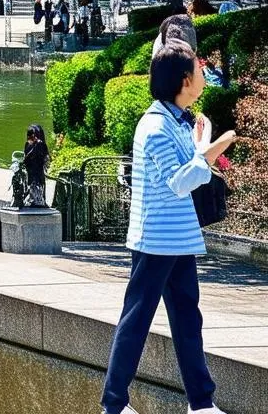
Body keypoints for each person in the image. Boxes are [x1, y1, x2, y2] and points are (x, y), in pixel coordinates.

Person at [100, 43, 236, 414]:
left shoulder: (177, 119)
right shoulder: (155, 124)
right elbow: (180, 181)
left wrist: (201, 144)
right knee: (137, 320)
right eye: (200, 69)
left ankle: (201, 402)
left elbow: (188, 168)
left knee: (187, 317)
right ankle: (113, 404)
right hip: (156, 238)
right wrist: (212, 149)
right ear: (185, 80)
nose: (204, 76)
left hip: (177, 237)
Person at [23, 124, 50, 206]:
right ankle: (35, 199)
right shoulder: (29, 144)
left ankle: (37, 200)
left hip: (37, 168)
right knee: (33, 182)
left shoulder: (39, 144)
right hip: (32, 167)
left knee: (37, 182)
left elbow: (35, 155)